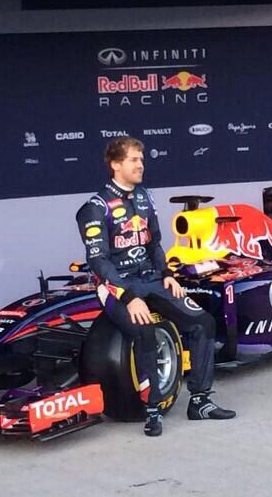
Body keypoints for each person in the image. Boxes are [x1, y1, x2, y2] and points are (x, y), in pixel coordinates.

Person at [76, 137, 235, 436]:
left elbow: (155, 243)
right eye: (134, 160)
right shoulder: (95, 208)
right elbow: (98, 261)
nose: (141, 165)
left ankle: (200, 401)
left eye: (141, 160)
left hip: (151, 278)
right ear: (115, 164)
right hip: (116, 285)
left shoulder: (145, 197)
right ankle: (153, 410)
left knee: (203, 323)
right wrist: (128, 296)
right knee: (145, 329)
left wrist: (167, 274)